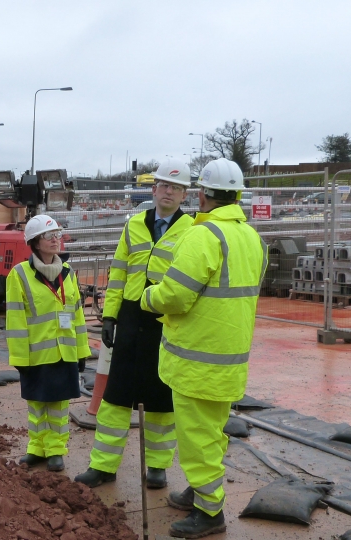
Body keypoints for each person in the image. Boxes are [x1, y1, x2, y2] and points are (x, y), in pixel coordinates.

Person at [140, 158, 267, 538]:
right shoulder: (252, 238)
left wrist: (148, 298)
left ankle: (210, 513)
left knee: (196, 437)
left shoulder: (204, 236)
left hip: (196, 360)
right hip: (229, 358)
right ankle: (200, 491)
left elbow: (174, 296)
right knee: (211, 430)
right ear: (237, 195)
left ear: (202, 195)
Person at [74, 158, 194, 489]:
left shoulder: (192, 232)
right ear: (154, 189)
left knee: (160, 399)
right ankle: (103, 466)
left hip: (166, 321)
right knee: (115, 396)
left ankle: (157, 466)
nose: (168, 192)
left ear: (184, 194)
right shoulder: (134, 225)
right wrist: (110, 316)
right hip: (129, 318)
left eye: (176, 187)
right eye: (164, 186)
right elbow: (118, 273)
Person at [5, 214, 91, 472]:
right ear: (35, 242)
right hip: (35, 356)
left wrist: (82, 351)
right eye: (49, 236)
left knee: (58, 406)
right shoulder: (18, 275)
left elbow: (77, 314)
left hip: (64, 353)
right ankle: (37, 447)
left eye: (58, 234)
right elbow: (15, 320)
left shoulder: (68, 273)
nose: (56, 240)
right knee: (37, 405)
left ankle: (55, 450)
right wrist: (20, 359)